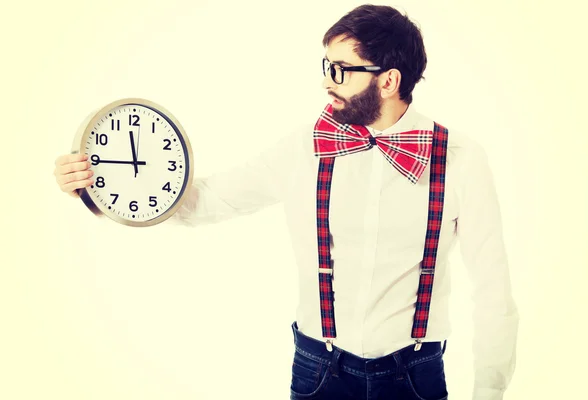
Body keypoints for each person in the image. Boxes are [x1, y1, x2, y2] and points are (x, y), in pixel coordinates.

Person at [53, 4, 519, 400]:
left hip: (414, 378)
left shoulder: (460, 159)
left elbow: (494, 290)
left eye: (340, 70)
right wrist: (99, 183)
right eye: (325, 67)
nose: (326, 82)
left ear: (388, 80)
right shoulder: (306, 147)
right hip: (318, 372)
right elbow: (207, 200)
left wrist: (489, 391)